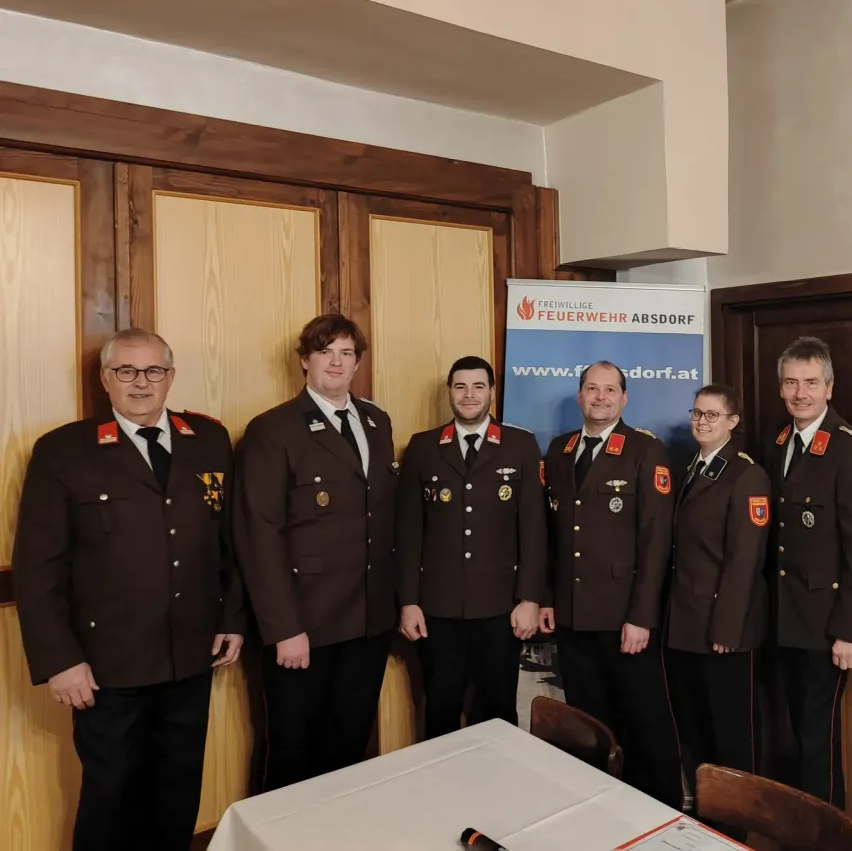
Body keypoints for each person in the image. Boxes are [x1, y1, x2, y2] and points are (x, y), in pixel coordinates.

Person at [13, 328, 244, 851]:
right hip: (107, 665)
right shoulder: (64, 451)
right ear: (105, 379)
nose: (141, 383)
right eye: (126, 371)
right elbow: (38, 566)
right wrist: (59, 660)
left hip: (191, 654)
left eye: (153, 371)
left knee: (179, 790)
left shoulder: (207, 439)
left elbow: (227, 544)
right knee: (110, 795)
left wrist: (232, 619)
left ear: (170, 376)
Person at [234, 313, 399, 790]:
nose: (337, 362)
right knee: (291, 751)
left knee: (349, 746)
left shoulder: (376, 420)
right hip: (304, 626)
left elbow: (382, 521)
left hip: (367, 620)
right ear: (305, 360)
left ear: (357, 363)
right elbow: (258, 535)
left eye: (347, 353)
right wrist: (284, 628)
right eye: (326, 352)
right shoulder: (273, 430)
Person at [539, 360, 683, 809]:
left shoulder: (644, 451)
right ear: (580, 396)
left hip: (626, 619)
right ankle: (602, 808)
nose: (599, 398)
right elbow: (551, 533)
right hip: (573, 613)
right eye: (591, 389)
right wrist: (547, 598)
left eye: (609, 390)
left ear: (624, 399)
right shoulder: (560, 450)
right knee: (589, 722)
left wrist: (642, 616)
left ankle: (662, 813)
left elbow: (656, 541)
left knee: (645, 721)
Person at [396, 355, 546, 738]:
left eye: (479, 386)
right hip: (437, 611)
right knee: (441, 710)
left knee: (498, 713)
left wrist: (530, 597)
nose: (469, 395)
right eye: (460, 386)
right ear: (449, 392)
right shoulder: (424, 447)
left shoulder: (520, 444)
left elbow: (533, 529)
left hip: (500, 609)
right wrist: (408, 601)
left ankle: (499, 796)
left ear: (492, 392)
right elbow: (409, 532)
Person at [765, 336, 852, 808]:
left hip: (826, 624)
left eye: (811, 383)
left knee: (819, 740)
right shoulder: (779, 444)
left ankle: (825, 835)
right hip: (783, 618)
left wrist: (851, 629)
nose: (801, 393)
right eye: (791, 383)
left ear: (829, 387)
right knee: (791, 733)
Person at [665, 384, 771, 782]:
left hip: (724, 628)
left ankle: (736, 826)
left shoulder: (747, 476)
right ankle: (707, 816)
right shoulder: (691, 468)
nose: (702, 422)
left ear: (733, 421)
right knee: (697, 727)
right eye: (697, 413)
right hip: (689, 624)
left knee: (731, 734)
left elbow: (745, 560)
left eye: (712, 415)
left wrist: (727, 626)